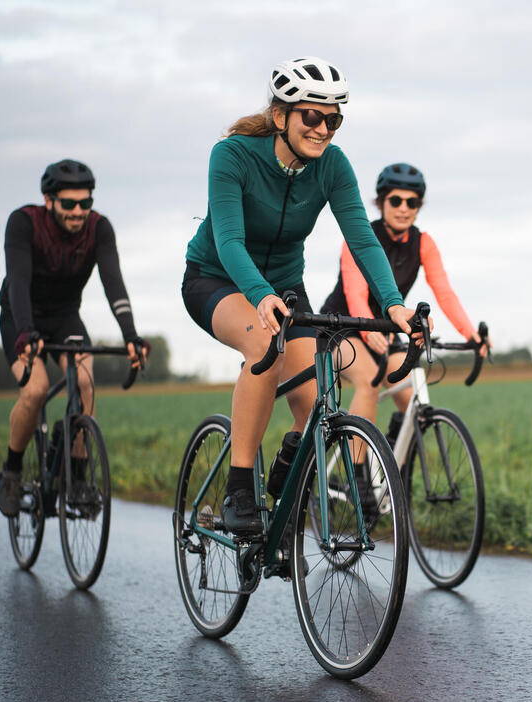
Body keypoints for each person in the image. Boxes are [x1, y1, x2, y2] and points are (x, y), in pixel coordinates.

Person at [181, 57, 419, 535]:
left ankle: (286, 481)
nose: (323, 128)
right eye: (312, 115)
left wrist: (394, 304)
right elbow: (229, 240)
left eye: (333, 119)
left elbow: (363, 240)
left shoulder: (332, 165)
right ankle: (239, 489)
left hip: (286, 286)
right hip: (218, 278)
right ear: (280, 115)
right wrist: (259, 294)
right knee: (264, 347)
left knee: (316, 406)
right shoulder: (232, 156)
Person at [0, 160, 148, 517]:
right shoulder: (23, 223)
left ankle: (78, 476)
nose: (79, 211)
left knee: (84, 381)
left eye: (86, 203)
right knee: (34, 390)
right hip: (22, 316)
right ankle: (12, 471)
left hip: (65, 316)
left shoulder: (99, 229)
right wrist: (24, 333)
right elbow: (17, 282)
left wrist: (131, 335)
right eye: (69, 204)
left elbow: (114, 283)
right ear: (49, 201)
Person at [319, 162, 488, 439]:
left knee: (413, 401)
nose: (404, 208)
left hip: (386, 330)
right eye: (395, 200)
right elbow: (355, 292)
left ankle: (393, 468)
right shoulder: (361, 237)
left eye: (413, 203)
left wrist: (470, 334)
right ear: (382, 202)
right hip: (341, 327)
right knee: (368, 382)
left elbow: (444, 293)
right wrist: (367, 329)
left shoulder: (423, 243)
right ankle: (357, 478)